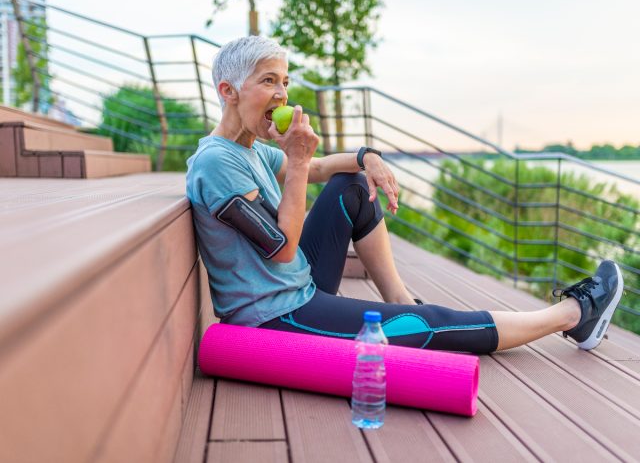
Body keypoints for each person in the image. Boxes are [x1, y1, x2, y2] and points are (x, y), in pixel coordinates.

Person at [186, 36, 623, 354]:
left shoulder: (251, 150)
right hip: (276, 316)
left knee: (352, 183)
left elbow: (321, 169)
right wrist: (297, 162)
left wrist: (365, 156)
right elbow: (282, 250)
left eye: (284, 81)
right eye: (268, 81)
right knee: (423, 325)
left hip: (294, 287)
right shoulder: (216, 163)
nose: (282, 94)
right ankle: (573, 316)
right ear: (228, 91)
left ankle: (398, 298)